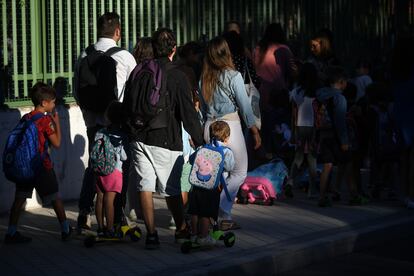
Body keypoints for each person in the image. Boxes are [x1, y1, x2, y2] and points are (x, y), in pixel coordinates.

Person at [127, 28, 204, 249]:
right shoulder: (177, 75)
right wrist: (199, 140)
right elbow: (188, 114)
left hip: (138, 136)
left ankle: (151, 235)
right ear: (174, 49)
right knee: (171, 189)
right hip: (165, 139)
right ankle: (181, 230)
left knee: (145, 186)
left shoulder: (140, 70)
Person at [74, 12, 136, 232]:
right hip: (116, 123)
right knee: (118, 170)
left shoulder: (84, 54)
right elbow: (133, 91)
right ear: (118, 31)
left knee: (94, 166)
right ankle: (117, 215)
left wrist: (89, 114)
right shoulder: (126, 57)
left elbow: (77, 91)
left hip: (93, 123)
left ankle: (84, 213)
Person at [199, 36, 261, 231]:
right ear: (226, 53)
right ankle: (221, 208)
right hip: (230, 127)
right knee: (240, 171)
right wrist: (254, 130)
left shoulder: (204, 78)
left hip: (209, 126)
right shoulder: (233, 76)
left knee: (221, 173)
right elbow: (245, 106)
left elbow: (201, 107)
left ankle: (223, 216)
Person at [4, 82, 72, 244]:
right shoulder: (45, 120)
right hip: (41, 166)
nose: (54, 104)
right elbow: (56, 143)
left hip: (24, 166)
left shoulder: (26, 117)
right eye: (53, 101)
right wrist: (56, 123)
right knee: (55, 197)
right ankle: (65, 228)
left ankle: (11, 232)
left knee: (19, 199)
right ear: (44, 103)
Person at [315, 66, 363, 207]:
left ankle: (322, 197)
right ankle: (354, 195)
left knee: (327, 165)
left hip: (324, 135)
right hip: (337, 136)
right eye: (345, 82)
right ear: (341, 82)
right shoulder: (339, 98)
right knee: (348, 164)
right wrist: (344, 140)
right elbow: (340, 121)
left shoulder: (320, 95)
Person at [253, 23, 297, 158]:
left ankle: (264, 156)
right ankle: (278, 158)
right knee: (279, 130)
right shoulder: (284, 49)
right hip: (277, 96)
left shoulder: (258, 49)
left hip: (258, 95)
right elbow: (293, 72)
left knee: (263, 128)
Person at [188, 121, 235, 246]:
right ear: (226, 137)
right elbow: (230, 167)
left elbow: (191, 160)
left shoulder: (202, 148)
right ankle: (203, 237)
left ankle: (193, 235)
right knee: (206, 212)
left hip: (196, 185)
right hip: (212, 187)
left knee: (194, 211)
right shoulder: (226, 151)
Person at [93, 102, 128, 237]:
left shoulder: (100, 132)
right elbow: (124, 156)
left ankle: (100, 227)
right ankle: (110, 229)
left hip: (99, 169)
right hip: (114, 171)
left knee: (100, 198)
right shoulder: (121, 135)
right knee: (110, 200)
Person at [287, 63, 320, 198]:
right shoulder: (318, 92)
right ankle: (312, 190)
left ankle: (290, 181)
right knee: (312, 158)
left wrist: (293, 131)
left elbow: (293, 113)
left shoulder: (296, 92)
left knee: (298, 157)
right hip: (314, 128)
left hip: (300, 127)